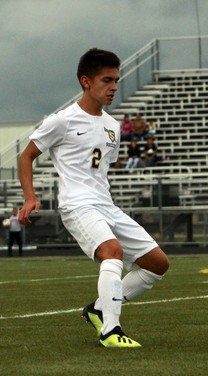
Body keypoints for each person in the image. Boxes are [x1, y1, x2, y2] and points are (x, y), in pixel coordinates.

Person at [18, 48, 169, 348]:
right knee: (111, 252)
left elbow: (99, 171)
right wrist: (29, 197)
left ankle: (99, 309)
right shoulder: (61, 121)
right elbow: (26, 156)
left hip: (106, 204)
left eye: (116, 80)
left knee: (157, 263)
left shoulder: (113, 126)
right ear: (86, 81)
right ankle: (110, 331)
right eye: (107, 80)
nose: (114, 86)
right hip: (77, 205)